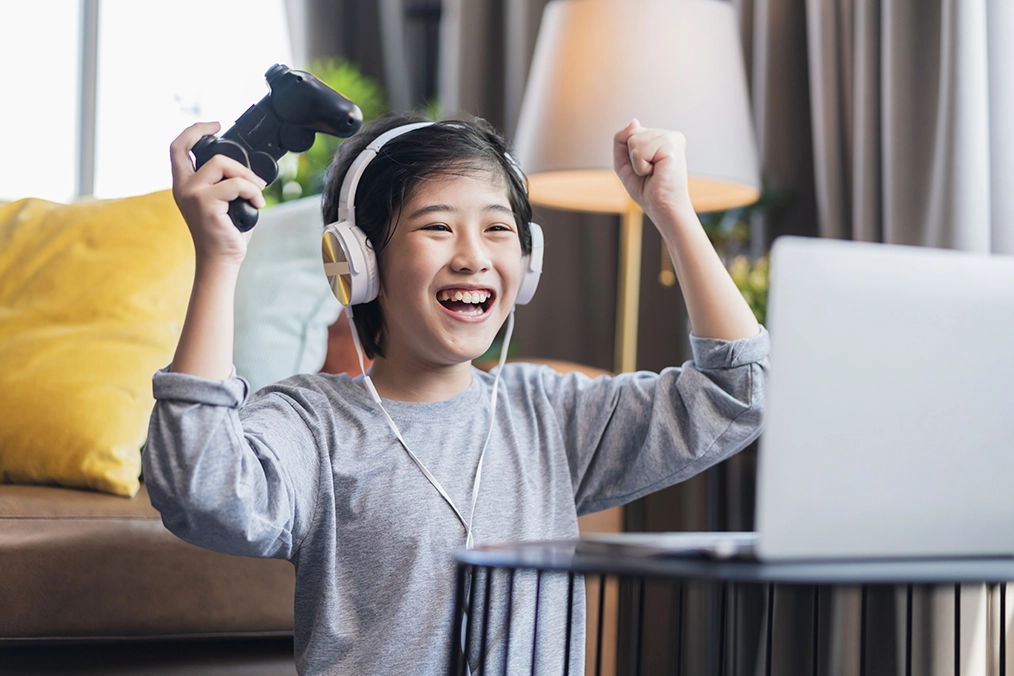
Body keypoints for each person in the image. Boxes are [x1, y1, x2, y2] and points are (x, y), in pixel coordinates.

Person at [144, 113, 769, 675]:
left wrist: (674, 214)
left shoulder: (547, 415)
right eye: (437, 226)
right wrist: (220, 259)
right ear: (358, 261)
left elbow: (735, 394)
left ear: (528, 261)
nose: (473, 256)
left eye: (498, 228)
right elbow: (201, 490)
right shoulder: (314, 424)